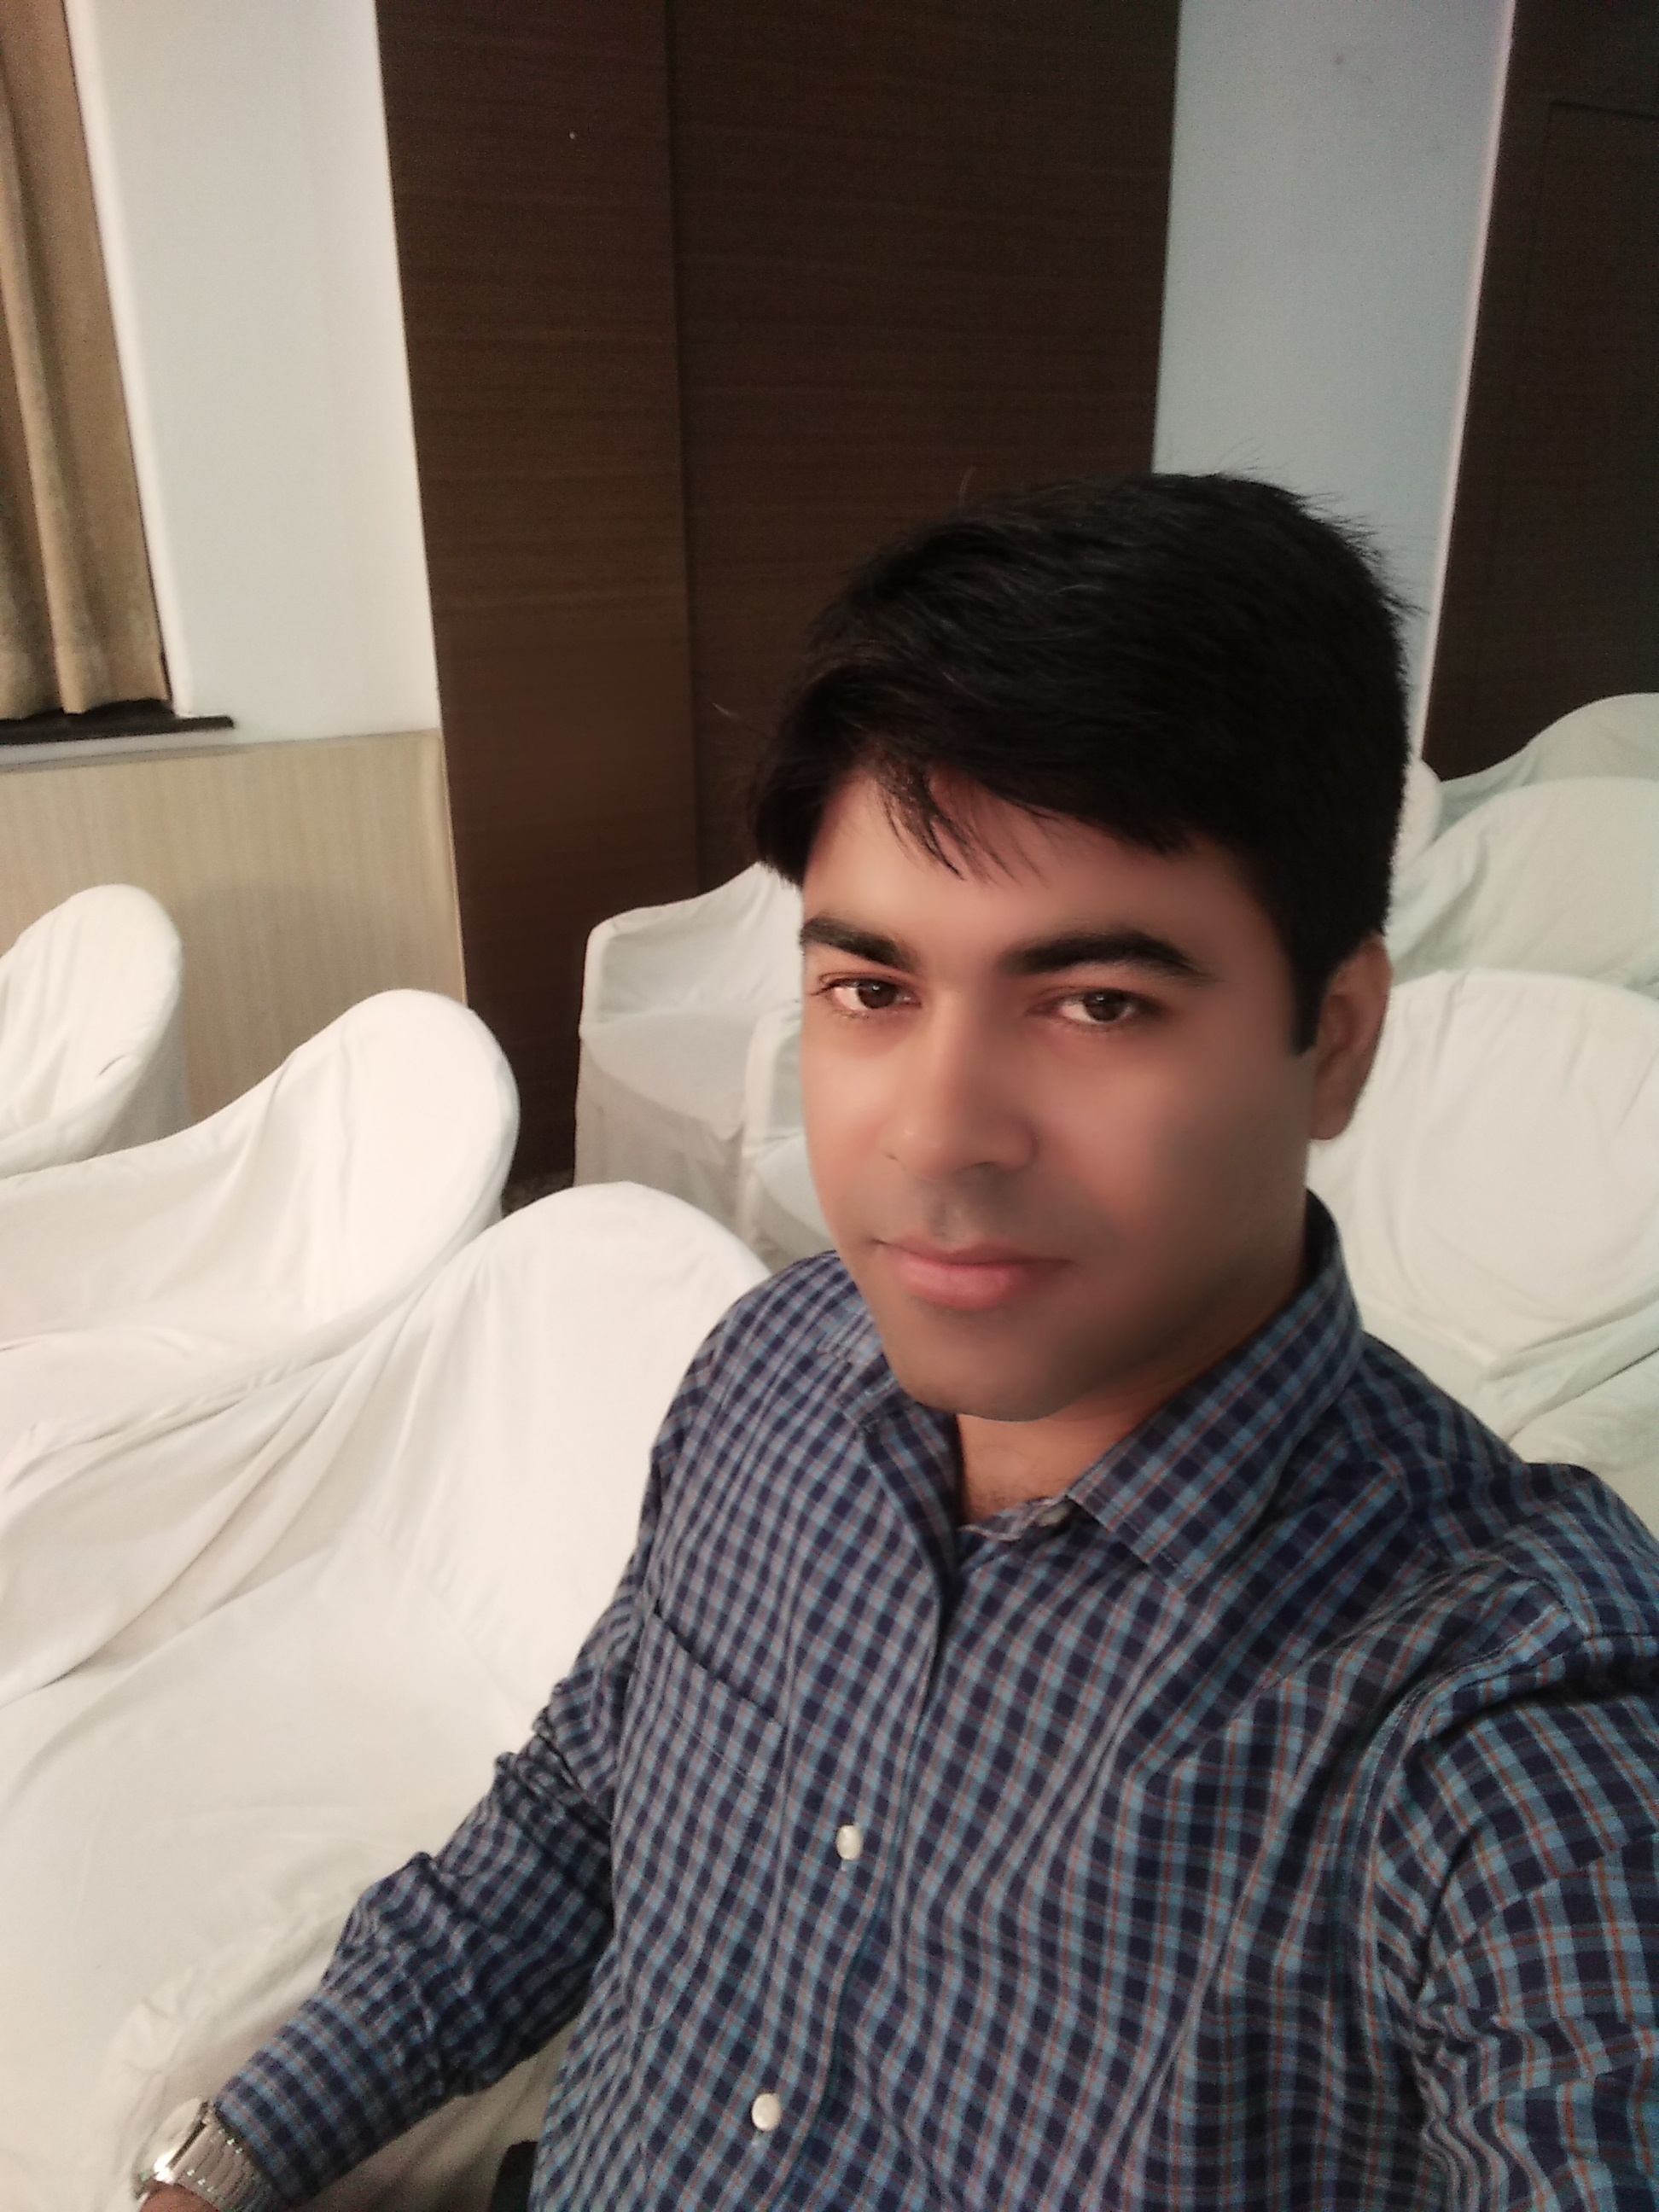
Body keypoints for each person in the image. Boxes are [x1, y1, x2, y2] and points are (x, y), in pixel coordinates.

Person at [139, 477, 1659, 2212]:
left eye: (1097, 1004)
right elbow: (573, 1821)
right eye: (872, 989)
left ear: (1338, 1042)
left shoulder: (1500, 1709)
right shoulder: (775, 1371)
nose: (934, 1138)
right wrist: (224, 2165)